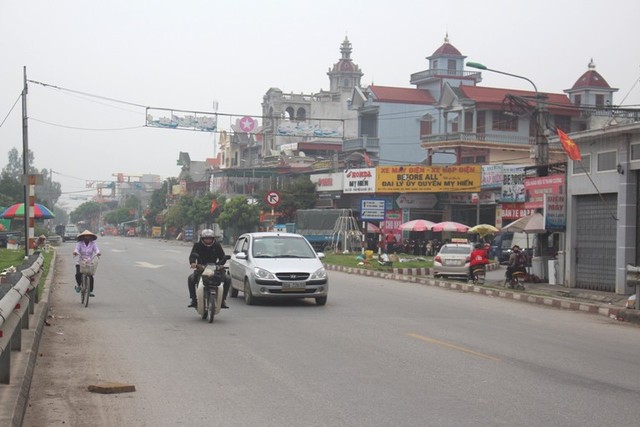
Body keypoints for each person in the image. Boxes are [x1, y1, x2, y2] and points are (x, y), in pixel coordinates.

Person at [187, 229, 230, 309]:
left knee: (227, 279)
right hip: (201, 268)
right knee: (191, 279)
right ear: (202, 239)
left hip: (214, 268)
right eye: (206, 238)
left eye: (210, 238)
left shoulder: (217, 245)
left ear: (213, 238)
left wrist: (221, 264)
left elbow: (222, 257)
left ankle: (223, 300)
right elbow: (192, 256)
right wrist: (193, 263)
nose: (208, 240)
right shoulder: (197, 245)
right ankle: (193, 300)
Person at [73, 230, 101, 296]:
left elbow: (96, 249)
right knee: (78, 274)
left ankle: (90, 291)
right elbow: (77, 249)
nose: (87, 237)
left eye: (88, 235)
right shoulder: (80, 243)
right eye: (86, 235)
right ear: (83, 236)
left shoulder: (93, 243)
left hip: (89, 262)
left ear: (91, 236)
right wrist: (75, 252)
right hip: (81, 261)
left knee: (90, 276)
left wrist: (98, 252)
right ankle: (79, 286)